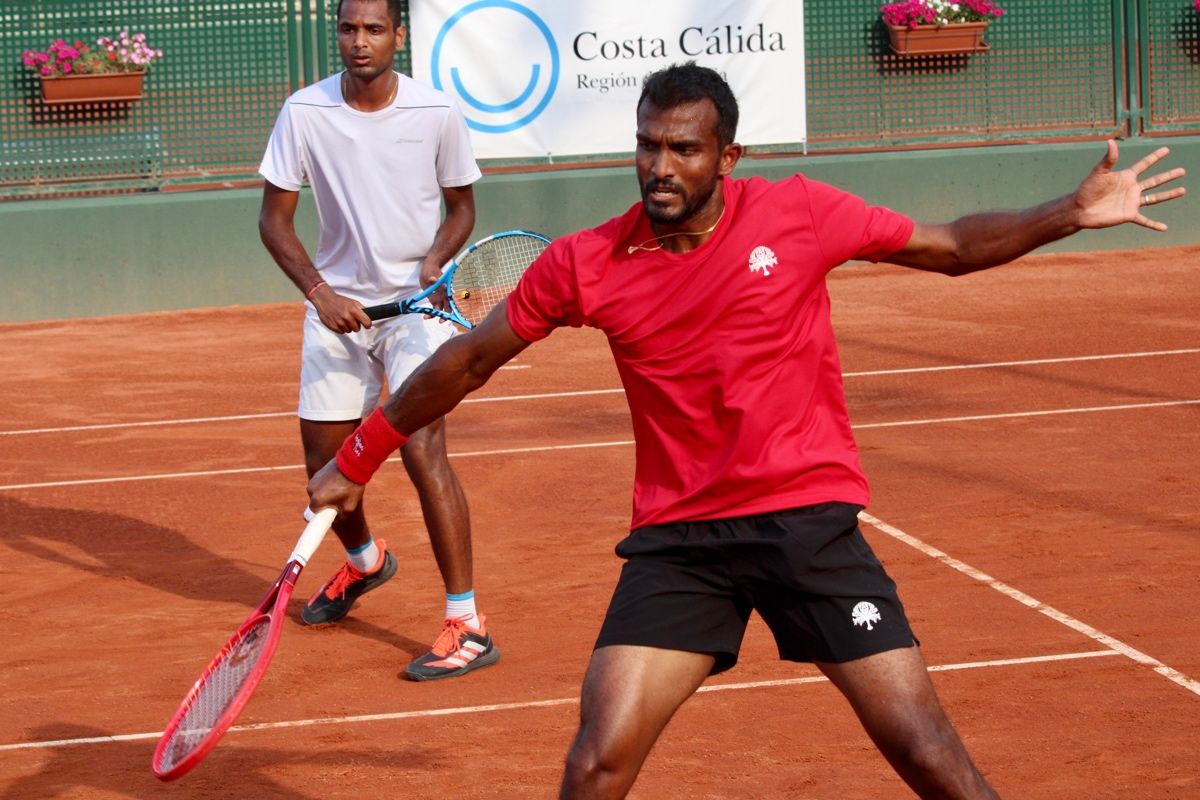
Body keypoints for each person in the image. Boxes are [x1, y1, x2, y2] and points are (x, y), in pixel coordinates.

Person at [307, 63, 1185, 796]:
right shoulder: (588, 262)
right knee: (596, 761)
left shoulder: (796, 212)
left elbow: (949, 244)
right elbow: (465, 364)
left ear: (728, 156)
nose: (660, 166)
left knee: (925, 751)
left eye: (683, 149)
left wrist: (1068, 213)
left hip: (806, 521)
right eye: (647, 145)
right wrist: (359, 454)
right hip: (681, 542)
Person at [257, 0, 499, 682]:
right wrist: (320, 293)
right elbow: (274, 221)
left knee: (423, 447)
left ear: (399, 35)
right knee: (324, 468)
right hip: (337, 308)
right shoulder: (304, 113)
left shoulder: (435, 114)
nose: (358, 42)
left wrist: (435, 261)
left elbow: (462, 209)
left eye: (373, 29)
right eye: (347, 28)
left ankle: (468, 623)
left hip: (417, 311)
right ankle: (365, 562)